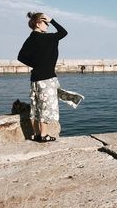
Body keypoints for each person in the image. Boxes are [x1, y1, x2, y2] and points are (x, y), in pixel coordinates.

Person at [18, 12, 72, 142]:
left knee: (36, 107)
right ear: (38, 23)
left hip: (35, 79)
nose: (47, 25)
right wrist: (52, 20)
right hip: (47, 79)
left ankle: (37, 134)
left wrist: (37, 64)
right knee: (46, 108)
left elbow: (21, 56)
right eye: (45, 22)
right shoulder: (48, 38)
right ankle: (43, 135)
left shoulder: (31, 38)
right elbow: (64, 32)